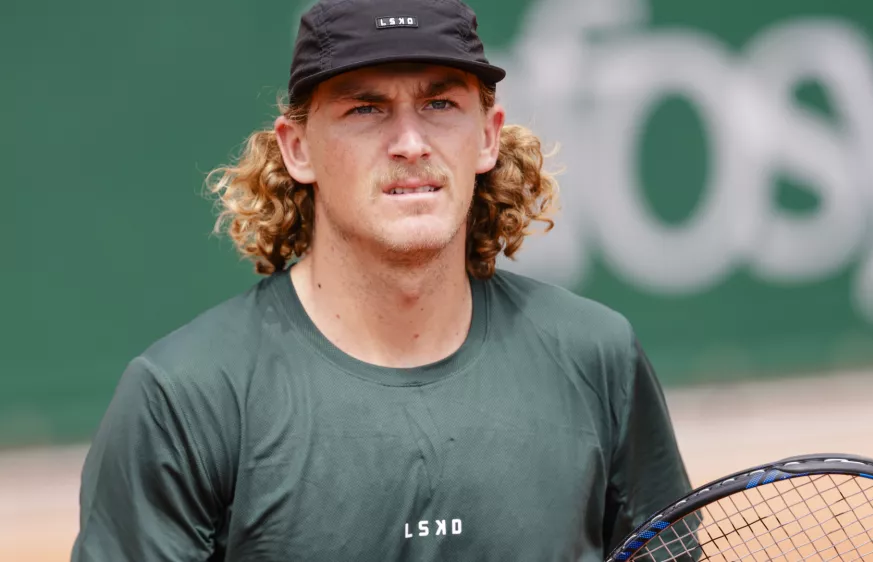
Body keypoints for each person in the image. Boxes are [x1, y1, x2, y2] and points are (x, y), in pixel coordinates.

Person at [71, 0, 693, 560]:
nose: (410, 142)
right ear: (297, 148)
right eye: (365, 108)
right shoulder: (182, 399)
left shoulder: (598, 358)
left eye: (440, 104)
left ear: (487, 135)